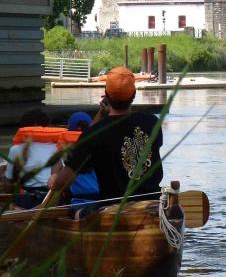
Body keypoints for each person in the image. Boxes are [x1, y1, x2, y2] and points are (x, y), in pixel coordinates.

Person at [49, 67, 164, 213]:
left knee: (76, 213)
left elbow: (63, 182)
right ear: (134, 94)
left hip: (112, 210)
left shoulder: (94, 134)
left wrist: (54, 180)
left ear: (106, 96)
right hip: (152, 204)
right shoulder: (152, 122)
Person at [0, 109, 59, 208]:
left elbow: (9, 181)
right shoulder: (57, 147)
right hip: (53, 197)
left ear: (34, 126)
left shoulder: (16, 149)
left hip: (30, 199)